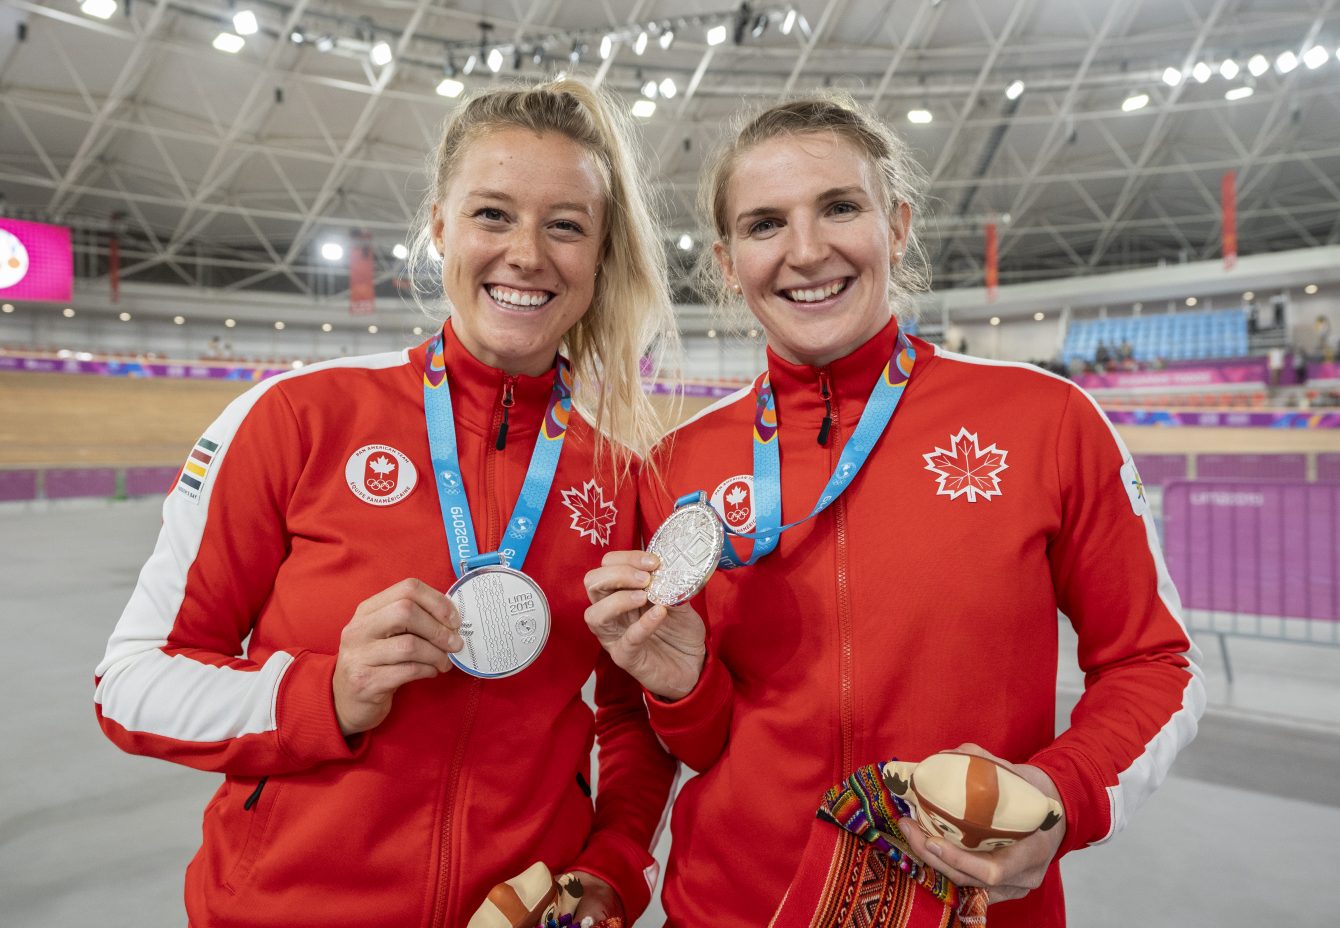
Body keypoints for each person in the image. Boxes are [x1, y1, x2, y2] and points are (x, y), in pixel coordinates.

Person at [584, 97, 1205, 927]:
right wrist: (685, 687)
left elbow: (1156, 664)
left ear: (898, 224)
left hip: (967, 909)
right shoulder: (675, 466)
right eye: (766, 224)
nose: (807, 251)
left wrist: (1063, 792)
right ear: (729, 263)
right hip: (733, 909)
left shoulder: (1047, 421)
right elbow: (690, 742)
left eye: (840, 207)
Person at [94, 81, 678, 928]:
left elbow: (632, 719)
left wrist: (612, 868)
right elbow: (130, 683)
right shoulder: (297, 417)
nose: (526, 253)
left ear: (599, 252)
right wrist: (320, 695)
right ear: (439, 225)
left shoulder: (619, 474)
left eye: (565, 224)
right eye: (492, 215)